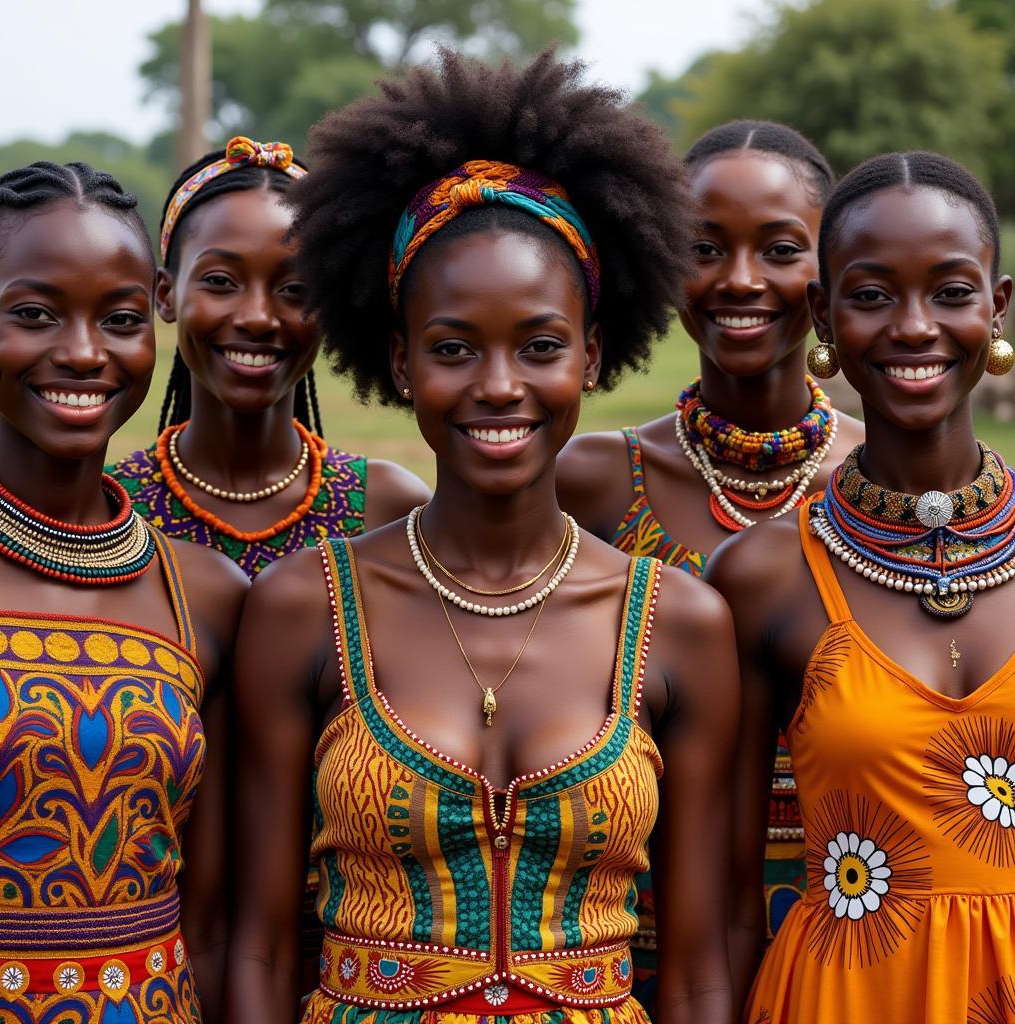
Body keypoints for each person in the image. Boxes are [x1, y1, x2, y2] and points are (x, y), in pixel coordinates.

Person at [225, 51, 739, 1024]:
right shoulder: (304, 609)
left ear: (590, 355)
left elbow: (697, 968)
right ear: (399, 360)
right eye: (454, 347)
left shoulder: (678, 623)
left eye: (539, 346)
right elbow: (255, 946)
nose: (499, 385)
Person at [707, 151, 1015, 1021]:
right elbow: (730, 909)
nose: (913, 327)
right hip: (841, 995)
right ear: (824, 317)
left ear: (997, 307)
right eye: (873, 295)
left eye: (952, 292)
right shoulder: (766, 578)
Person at [557, 122, 864, 993]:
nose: (740, 279)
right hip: (632, 932)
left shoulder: (878, 482)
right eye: (705, 247)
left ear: (833, 270)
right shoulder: (591, 481)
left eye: (779, 249)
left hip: (844, 922)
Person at [0, 161, 246, 1019]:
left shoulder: (204, 593)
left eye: (122, 320)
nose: (83, 351)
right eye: (34, 315)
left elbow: (210, 922)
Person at [109, 136, 429, 580]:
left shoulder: (388, 508)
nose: (258, 318)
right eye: (221, 281)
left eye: (294, 289)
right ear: (165, 295)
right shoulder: (108, 511)